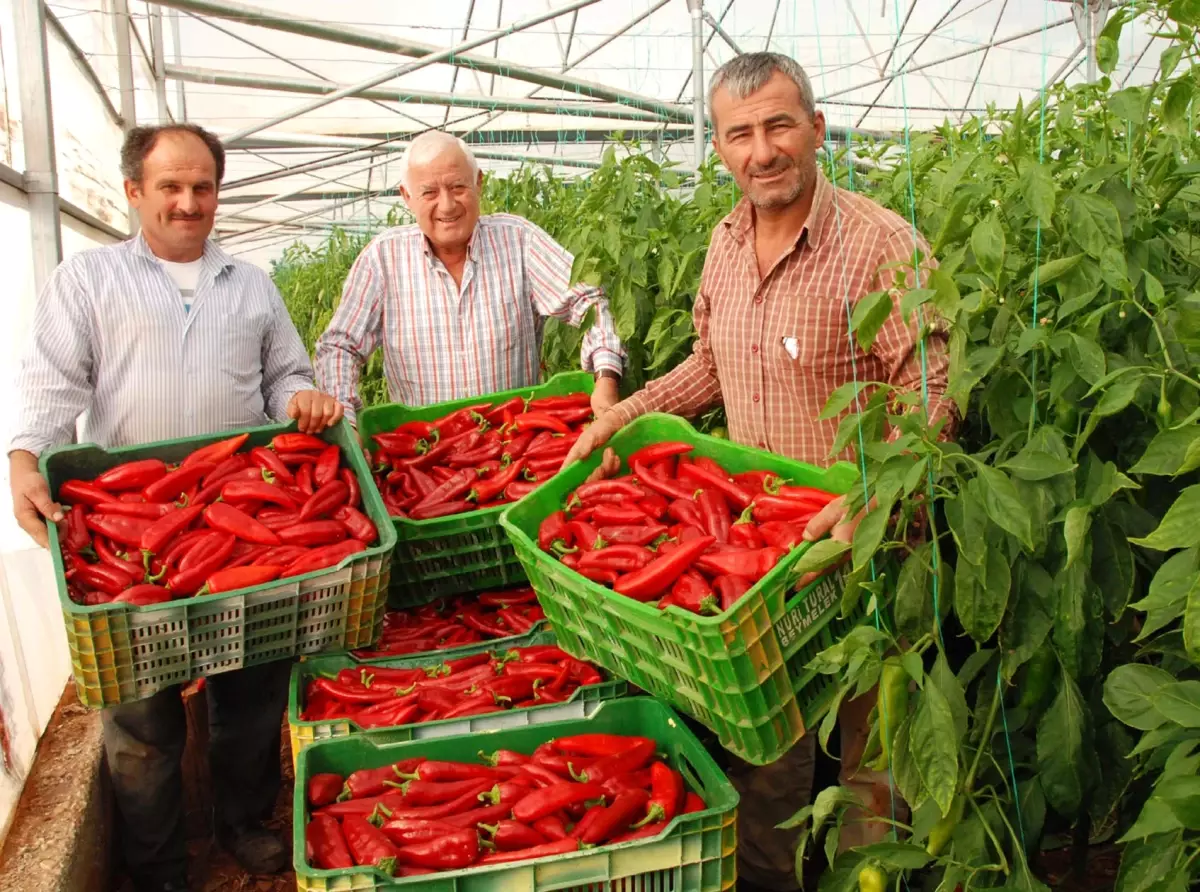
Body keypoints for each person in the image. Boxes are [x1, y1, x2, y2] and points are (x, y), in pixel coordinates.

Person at [563, 53, 954, 891]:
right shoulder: (725, 241)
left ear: (816, 129)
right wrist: (623, 415)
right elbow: (710, 365)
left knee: (871, 768)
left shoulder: (881, 243)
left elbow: (930, 386)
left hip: (866, 552)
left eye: (779, 125)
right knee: (768, 757)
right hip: (764, 561)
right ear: (719, 147)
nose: (762, 150)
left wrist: (872, 495)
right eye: (740, 134)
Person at [7, 123, 344, 892]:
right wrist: (26, 457)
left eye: (203, 187)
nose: (189, 202)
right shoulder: (89, 282)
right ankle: (159, 864)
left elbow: (285, 376)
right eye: (171, 186)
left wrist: (304, 399)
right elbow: (52, 383)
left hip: (241, 514)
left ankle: (241, 824)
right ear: (135, 192)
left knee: (252, 689)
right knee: (142, 716)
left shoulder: (250, 286)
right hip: (132, 522)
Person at [315, 131, 626, 423]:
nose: (447, 205)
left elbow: (589, 302)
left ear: (479, 183)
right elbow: (339, 347)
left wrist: (606, 377)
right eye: (429, 193)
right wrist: (346, 419)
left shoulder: (518, 241)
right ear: (406, 196)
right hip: (425, 457)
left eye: (458, 187)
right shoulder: (383, 259)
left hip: (514, 440)